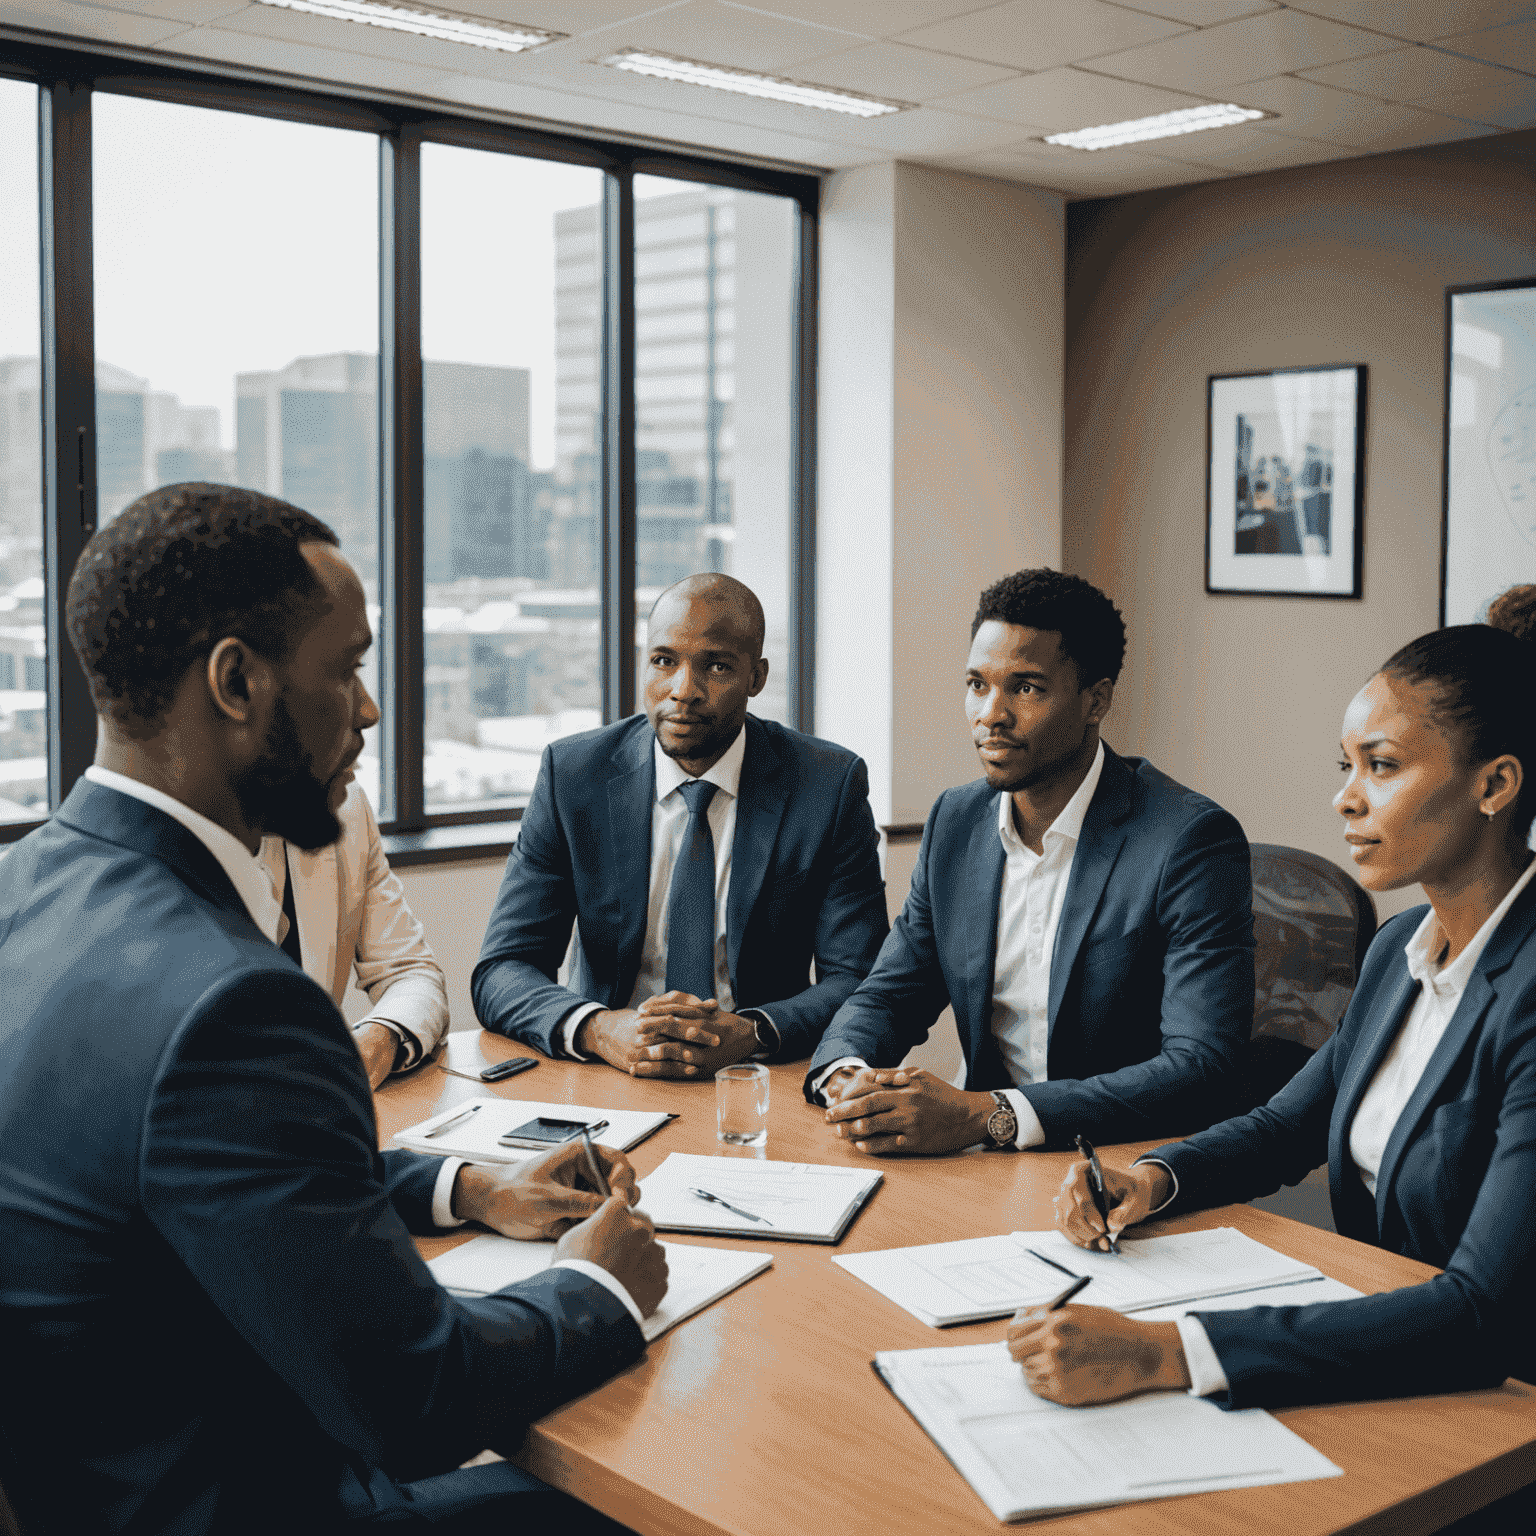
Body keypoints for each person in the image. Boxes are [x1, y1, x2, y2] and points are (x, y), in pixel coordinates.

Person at [0, 483, 668, 1535]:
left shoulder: (23, 889)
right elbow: (419, 1404)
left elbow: (186, 1174)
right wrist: (597, 1289)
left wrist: (463, 1187)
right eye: (348, 669)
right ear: (236, 682)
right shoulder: (235, 1004)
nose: (367, 710)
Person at [1027, 624, 1536, 1421]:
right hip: (1379, 1346)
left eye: (1384, 765)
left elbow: (1484, 1311)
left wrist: (1170, 1351)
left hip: (1496, 1400)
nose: (1346, 797)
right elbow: (1285, 1127)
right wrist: (1154, 1179)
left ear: (1495, 784)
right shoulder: (1403, 945)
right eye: (1348, 766)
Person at [808, 568, 1255, 1155]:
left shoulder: (1190, 841)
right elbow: (890, 992)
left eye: (1026, 688)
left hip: (1131, 1165)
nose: (991, 714)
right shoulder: (957, 823)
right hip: (988, 1168)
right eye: (977, 684)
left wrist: (988, 1116)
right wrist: (847, 1075)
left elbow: (1201, 1067)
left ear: (1096, 699)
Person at [472, 573, 888, 1078]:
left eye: (715, 666)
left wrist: (753, 1031)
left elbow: (859, 978)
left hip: (756, 1077)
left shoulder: (827, 786)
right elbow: (503, 969)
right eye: (664, 661)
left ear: (756, 678)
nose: (682, 691)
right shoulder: (575, 775)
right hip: (607, 1072)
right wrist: (600, 1029)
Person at [264, 783, 450, 1089]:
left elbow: (411, 971)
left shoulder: (345, 806)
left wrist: (382, 1034)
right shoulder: (177, 833)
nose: (356, 752)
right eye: (346, 731)